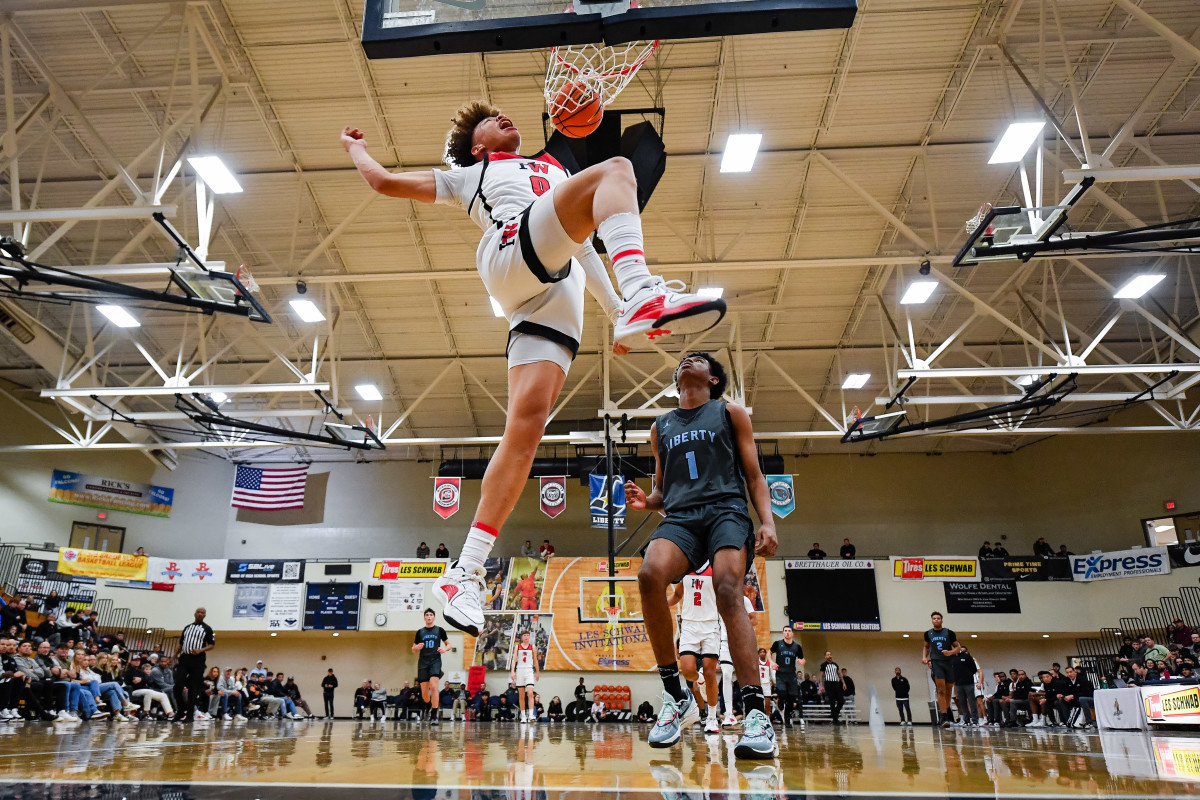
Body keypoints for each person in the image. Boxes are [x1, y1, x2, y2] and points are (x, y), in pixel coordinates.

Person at [343, 109, 724, 637]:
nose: (502, 117)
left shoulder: (557, 175)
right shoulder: (472, 174)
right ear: (475, 147)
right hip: (510, 252)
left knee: (524, 433)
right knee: (616, 167)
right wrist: (354, 148)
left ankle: (465, 572)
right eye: (488, 120)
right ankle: (643, 287)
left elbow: (585, 249)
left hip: (555, 295)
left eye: (502, 114)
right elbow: (384, 181)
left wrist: (616, 312)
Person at [626, 351, 777, 759]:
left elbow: (754, 476)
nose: (687, 360)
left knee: (727, 587)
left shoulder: (731, 413)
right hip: (682, 517)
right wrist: (647, 501)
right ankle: (676, 696)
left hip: (726, 509)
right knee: (648, 575)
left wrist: (768, 521)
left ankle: (755, 714)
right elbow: (663, 491)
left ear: (713, 379)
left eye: (698, 359)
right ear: (677, 381)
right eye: (683, 359)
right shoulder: (661, 427)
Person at [668, 563, 721, 733]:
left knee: (710, 671)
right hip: (690, 625)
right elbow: (677, 594)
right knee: (688, 670)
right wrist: (660, 602)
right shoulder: (685, 569)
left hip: (710, 624)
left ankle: (712, 718)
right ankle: (700, 680)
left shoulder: (715, 568)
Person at [174, 608, 214, 722]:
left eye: (202, 613)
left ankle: (190, 714)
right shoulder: (187, 627)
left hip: (198, 659)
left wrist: (200, 650)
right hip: (184, 658)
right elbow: (180, 644)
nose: (200, 614)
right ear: (195, 614)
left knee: (194, 687)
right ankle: (180, 711)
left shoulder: (207, 628)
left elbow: (211, 645)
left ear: (205, 615)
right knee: (177, 685)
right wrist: (172, 658)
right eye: (198, 612)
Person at [412, 608, 451, 724]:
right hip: (423, 662)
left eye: (431, 615)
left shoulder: (439, 630)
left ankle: (434, 715)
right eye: (427, 615)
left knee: (434, 687)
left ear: (434, 617)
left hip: (435, 661)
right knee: (424, 693)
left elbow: (449, 644)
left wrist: (444, 649)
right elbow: (413, 649)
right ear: (424, 617)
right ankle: (428, 706)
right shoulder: (420, 632)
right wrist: (416, 648)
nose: (429, 617)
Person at [922, 611, 960, 728]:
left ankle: (945, 711)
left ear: (942, 620)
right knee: (941, 690)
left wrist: (950, 652)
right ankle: (944, 717)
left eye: (938, 618)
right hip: (936, 662)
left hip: (949, 663)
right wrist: (924, 657)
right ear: (932, 620)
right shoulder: (928, 634)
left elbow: (958, 648)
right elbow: (926, 647)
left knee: (949, 690)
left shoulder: (949, 633)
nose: (936, 620)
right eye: (934, 618)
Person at [770, 626, 804, 728]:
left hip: (791, 675)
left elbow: (802, 659)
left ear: (792, 633)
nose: (787, 633)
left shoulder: (797, 647)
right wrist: (771, 662)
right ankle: (780, 701)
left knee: (792, 699)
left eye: (789, 631)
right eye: (786, 631)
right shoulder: (777, 644)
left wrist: (801, 661)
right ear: (783, 633)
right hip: (781, 673)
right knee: (782, 692)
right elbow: (769, 653)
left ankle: (787, 718)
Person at [510, 629, 540, 723]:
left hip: (529, 671)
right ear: (521, 637)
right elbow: (514, 660)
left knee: (530, 693)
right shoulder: (517, 647)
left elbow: (535, 660)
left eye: (528, 635)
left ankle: (531, 715)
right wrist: (512, 672)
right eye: (524, 635)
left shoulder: (533, 647)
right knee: (521, 695)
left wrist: (538, 672)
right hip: (520, 671)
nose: (526, 637)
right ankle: (523, 716)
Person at [951, 646, 979, 726]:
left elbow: (974, 669)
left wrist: (968, 675)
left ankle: (975, 721)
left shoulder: (967, 656)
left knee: (971, 702)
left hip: (968, 683)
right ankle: (966, 721)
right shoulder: (952, 658)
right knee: (962, 702)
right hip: (958, 684)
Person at [819, 651, 845, 724]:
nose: (829, 656)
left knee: (841, 700)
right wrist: (821, 686)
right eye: (828, 655)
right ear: (825, 657)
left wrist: (843, 682)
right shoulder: (823, 665)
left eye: (830, 654)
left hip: (836, 683)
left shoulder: (835, 664)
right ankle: (835, 720)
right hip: (828, 684)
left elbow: (839, 673)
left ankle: (834, 714)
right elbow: (821, 676)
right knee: (832, 702)